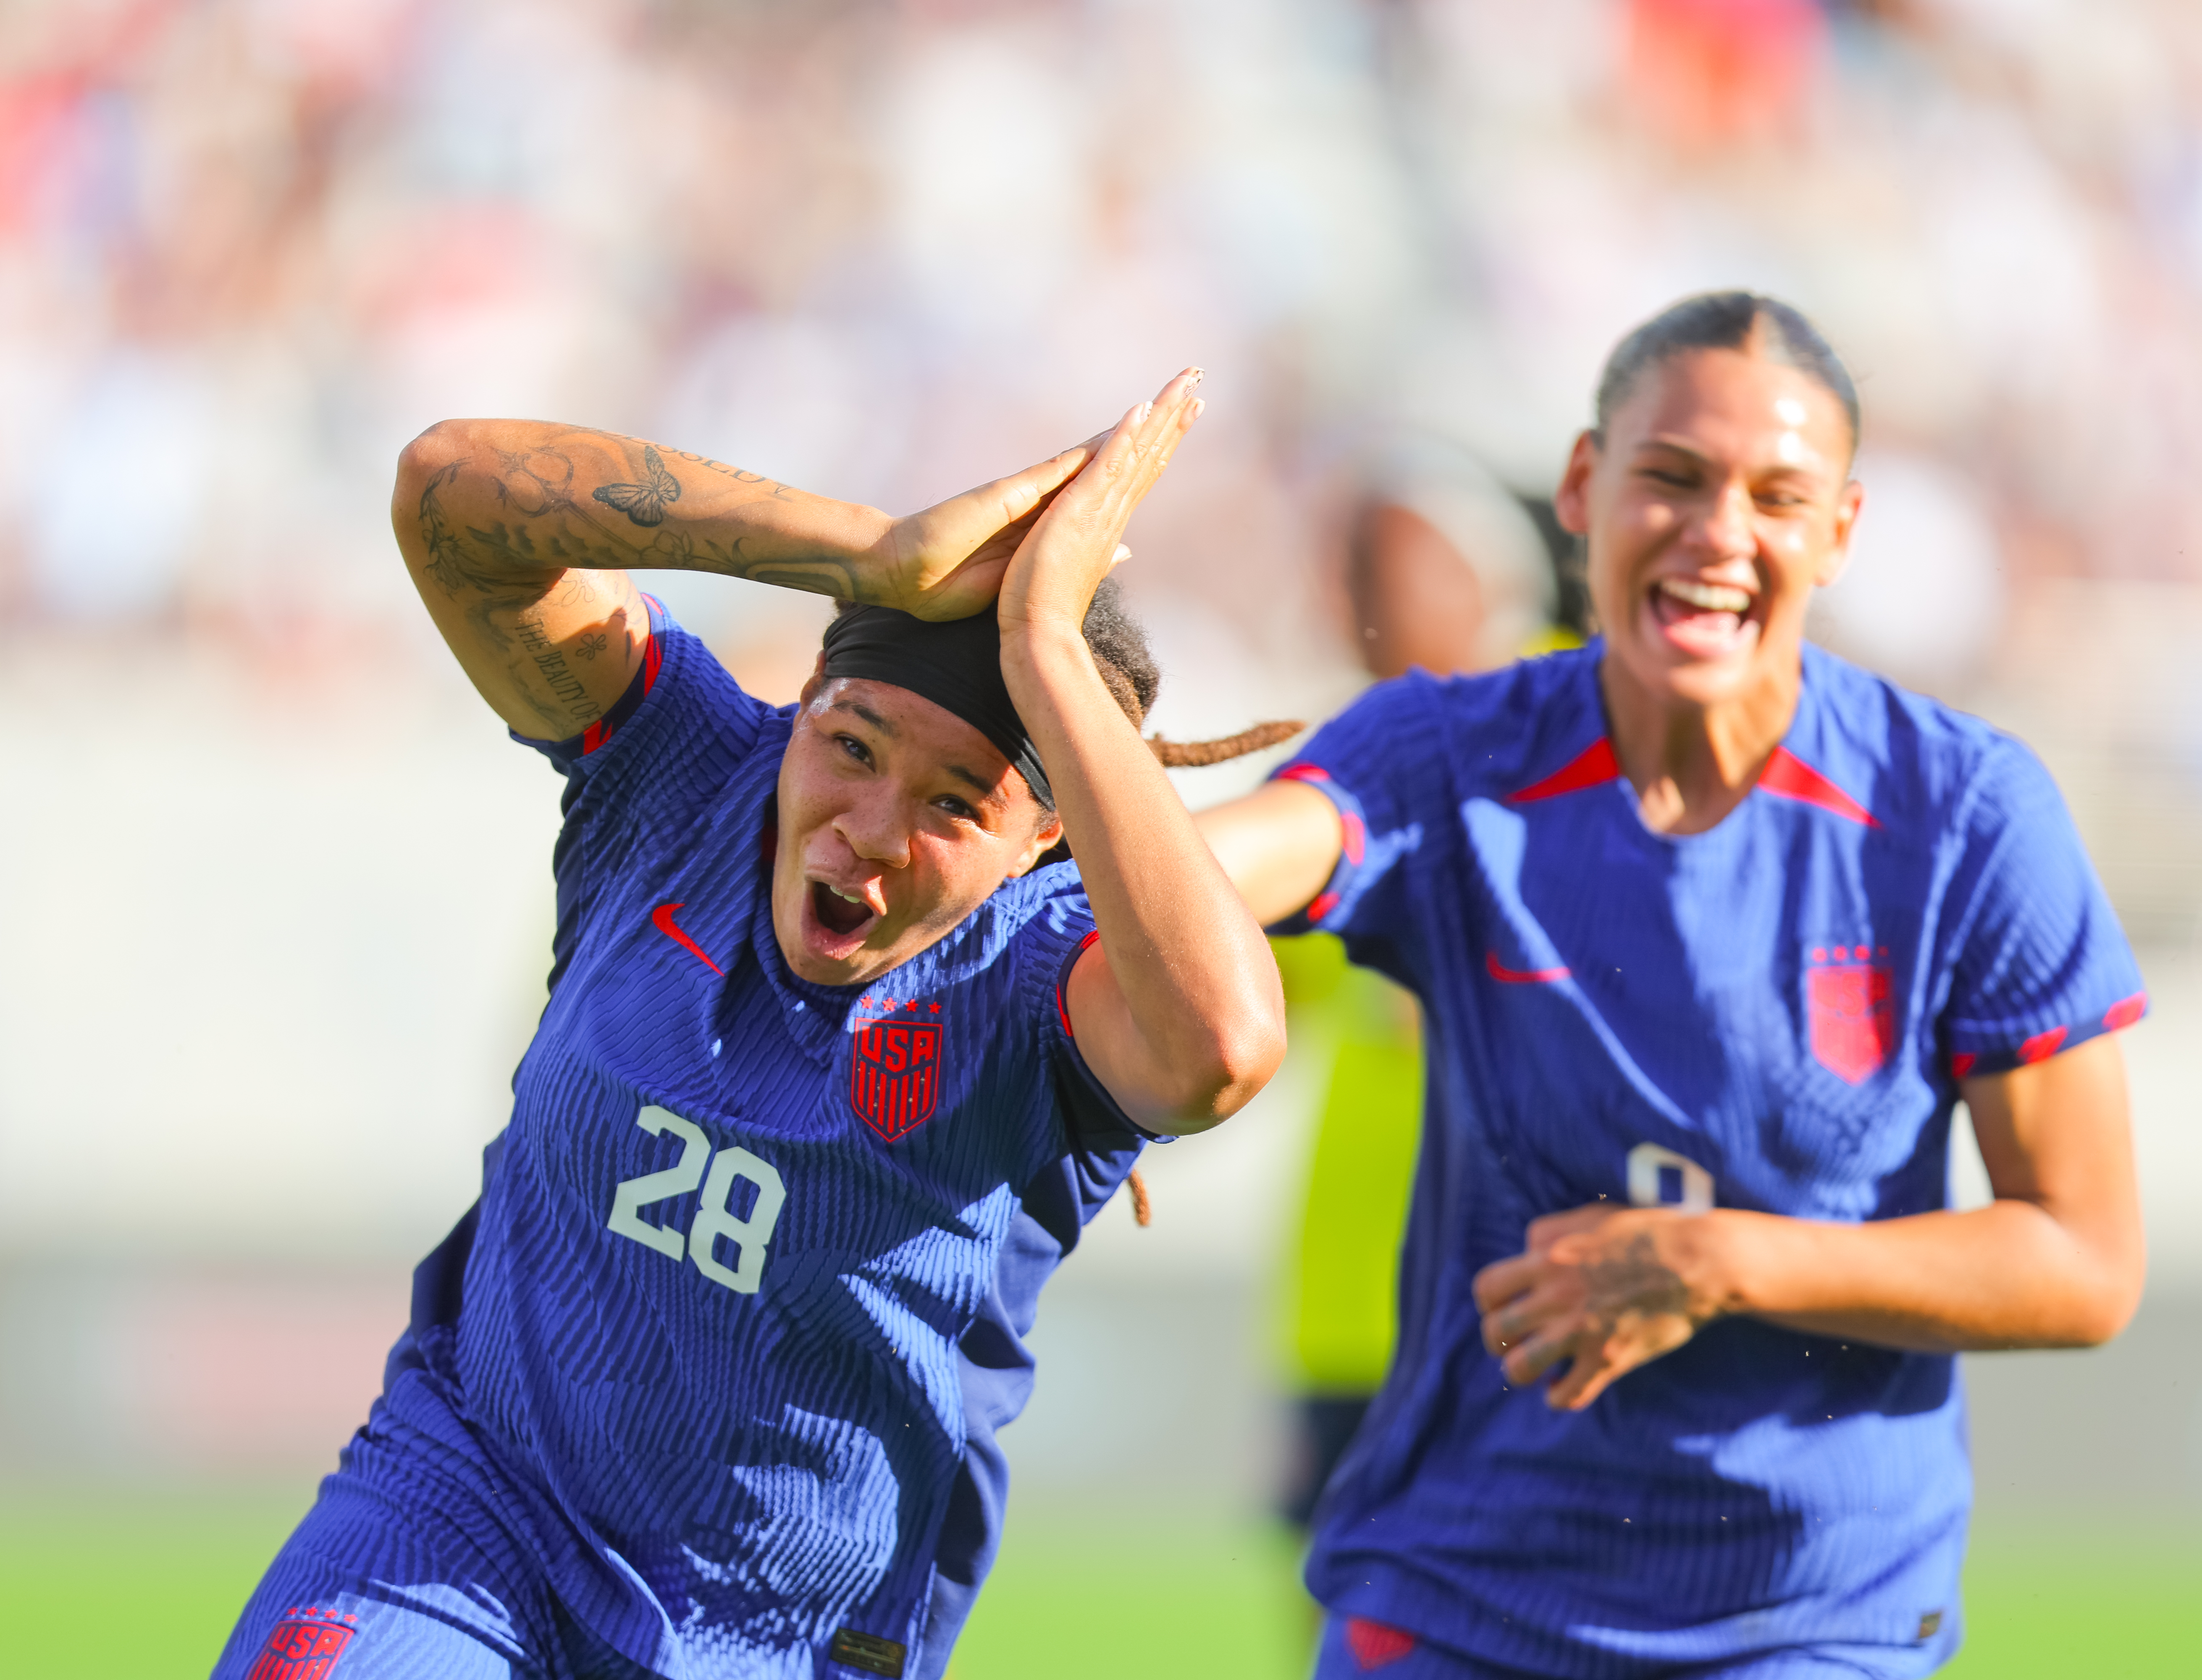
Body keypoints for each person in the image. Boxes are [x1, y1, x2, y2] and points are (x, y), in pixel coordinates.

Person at [213, 370, 1288, 1680]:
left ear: (1040, 840)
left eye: (959, 805)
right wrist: (871, 551)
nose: (874, 831)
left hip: (773, 1638)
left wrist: (1049, 650)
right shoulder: (679, 774)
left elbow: (1224, 1049)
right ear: (802, 710)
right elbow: (448, 488)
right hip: (465, 1520)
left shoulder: (1047, 990)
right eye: (852, 747)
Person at [1198, 293, 2147, 1678]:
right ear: (1586, 488)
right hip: (1459, 1595)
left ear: (1841, 531)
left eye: (1779, 494)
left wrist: (1723, 1264)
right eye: (1672, 476)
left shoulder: (1966, 815)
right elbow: (1216, 874)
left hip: (1810, 1620)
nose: (1719, 534)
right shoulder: (1454, 754)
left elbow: (2083, 1259)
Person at [1273, 441, 1571, 1539]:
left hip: (1534, 1297)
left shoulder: (1578, 722)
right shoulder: (1354, 753)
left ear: (1479, 571)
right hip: (1355, 1296)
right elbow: (1259, 984)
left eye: (1383, 560)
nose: (1354, 594)